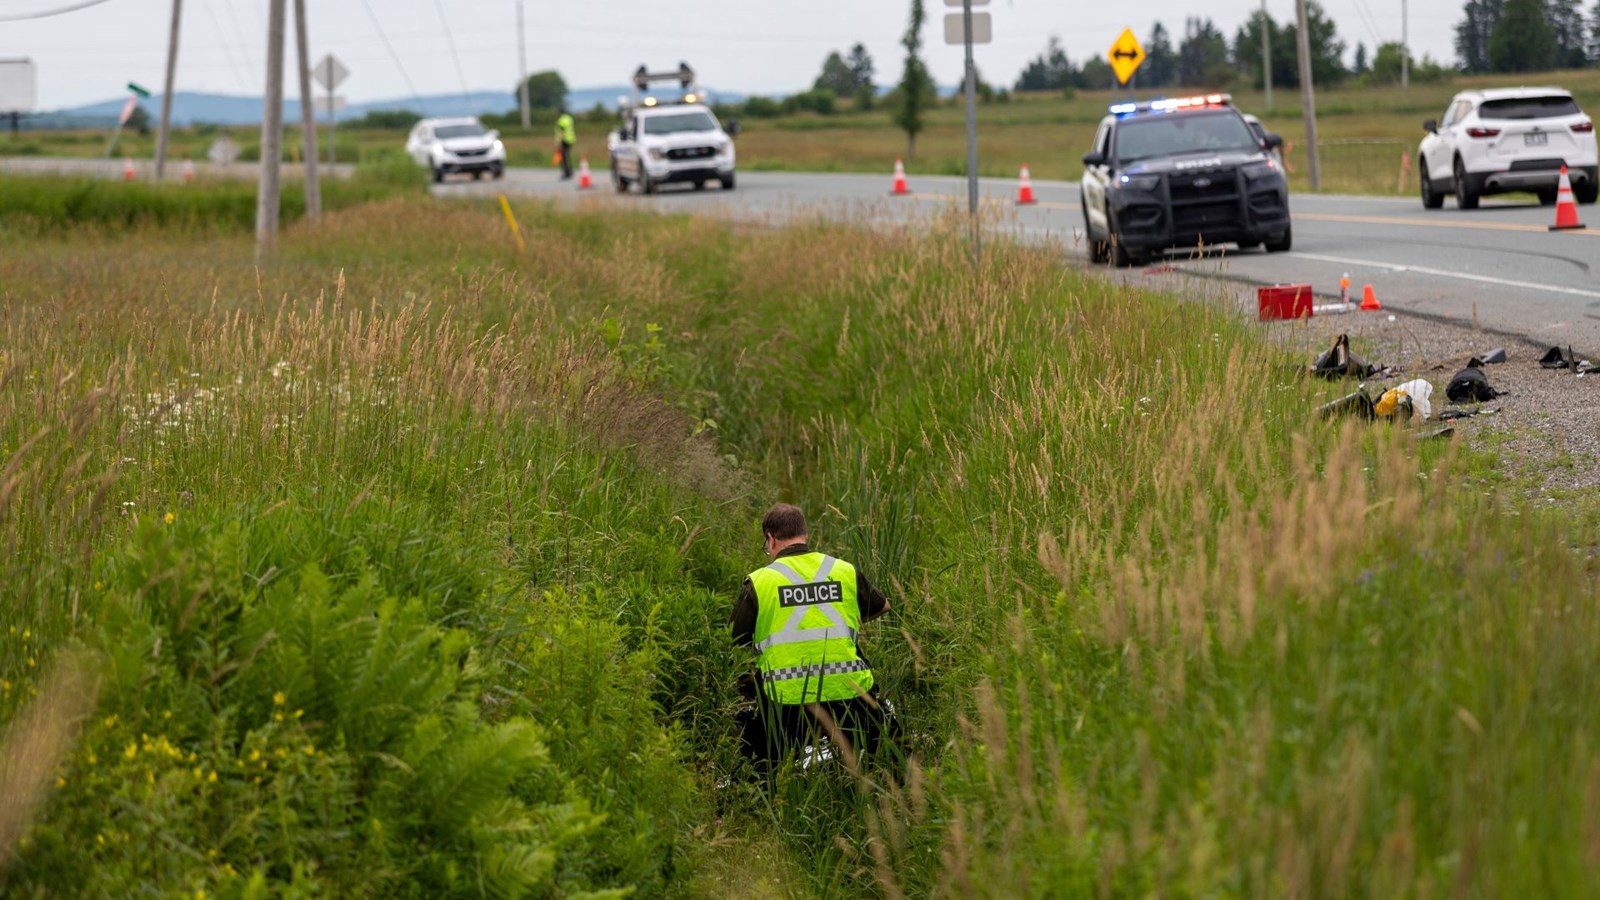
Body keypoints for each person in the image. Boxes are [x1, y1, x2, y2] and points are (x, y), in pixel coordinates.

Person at [731, 503, 893, 766]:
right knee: (888, 752)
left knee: (760, 766)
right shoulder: (843, 570)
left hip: (787, 699)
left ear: (770, 539)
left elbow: (736, 637)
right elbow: (883, 605)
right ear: (805, 534)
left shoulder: (761, 581)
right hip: (850, 694)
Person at [554, 107, 576, 180]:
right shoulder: (569, 119)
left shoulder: (561, 120)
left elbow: (560, 132)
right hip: (571, 139)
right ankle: (570, 171)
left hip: (564, 140)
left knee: (564, 157)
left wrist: (558, 142)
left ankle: (567, 173)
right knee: (567, 156)